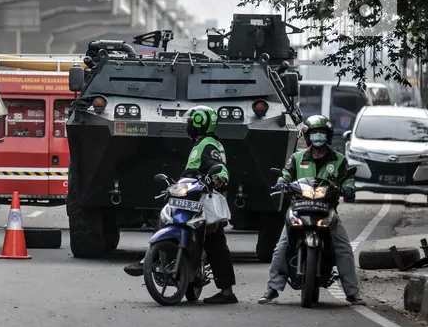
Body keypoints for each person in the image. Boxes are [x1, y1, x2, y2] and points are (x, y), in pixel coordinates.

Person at [123, 105, 238, 304]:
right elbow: (192, 174)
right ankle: (157, 259)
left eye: (191, 122)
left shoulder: (208, 144)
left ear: (199, 123)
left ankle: (227, 292)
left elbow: (219, 169)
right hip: (196, 194)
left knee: (214, 240)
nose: (188, 126)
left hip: (207, 198)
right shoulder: (202, 143)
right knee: (169, 216)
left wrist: (217, 178)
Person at [258, 115, 365, 305]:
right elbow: (285, 175)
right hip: (299, 208)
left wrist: (348, 188)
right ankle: (272, 289)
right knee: (281, 247)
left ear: (329, 136)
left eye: (322, 133)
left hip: (326, 209)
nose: (318, 137)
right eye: (314, 133)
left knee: (344, 249)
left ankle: (352, 292)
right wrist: (281, 184)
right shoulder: (297, 158)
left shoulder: (339, 160)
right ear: (307, 137)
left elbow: (347, 180)